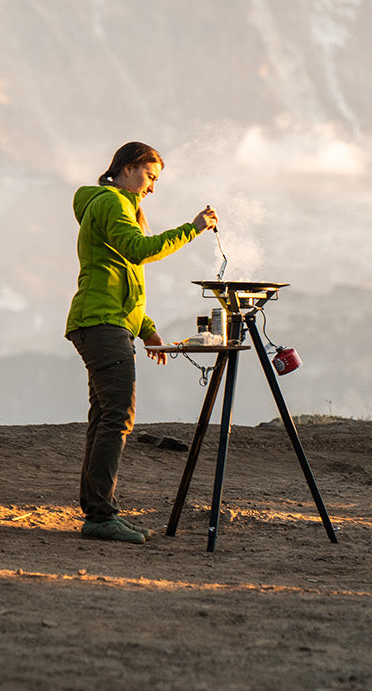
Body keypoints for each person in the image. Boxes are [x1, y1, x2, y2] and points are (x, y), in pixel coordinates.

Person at [65, 141, 217, 544]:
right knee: (117, 417)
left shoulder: (107, 204)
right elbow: (138, 251)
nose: (152, 188)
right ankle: (100, 515)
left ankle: (97, 510)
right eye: (150, 177)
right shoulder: (113, 203)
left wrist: (146, 327)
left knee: (104, 417)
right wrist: (193, 228)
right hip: (102, 325)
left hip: (101, 321)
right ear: (128, 168)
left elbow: (117, 276)